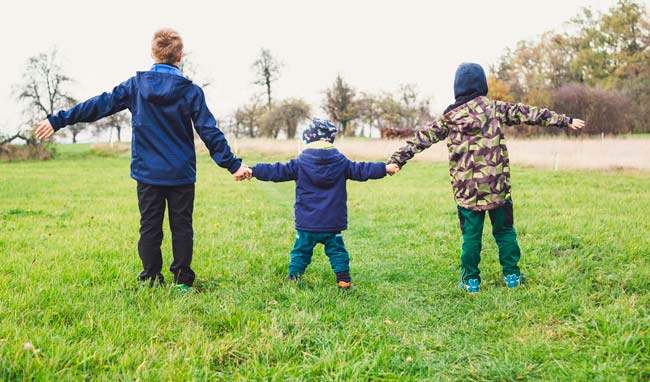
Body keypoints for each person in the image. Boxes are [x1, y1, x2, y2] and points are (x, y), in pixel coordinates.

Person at [34, 28, 251, 292]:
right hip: (180, 173)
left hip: (148, 173)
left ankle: (150, 277)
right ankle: (182, 281)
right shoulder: (191, 91)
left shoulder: (136, 87)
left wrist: (58, 120)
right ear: (180, 56)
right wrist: (233, 165)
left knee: (149, 227)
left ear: (153, 53)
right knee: (182, 227)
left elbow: (98, 105)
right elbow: (209, 131)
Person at [387, 62, 585, 293]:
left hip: (467, 192)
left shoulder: (449, 118)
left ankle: (471, 280)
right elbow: (528, 113)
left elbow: (421, 139)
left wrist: (397, 159)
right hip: (497, 187)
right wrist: (564, 120)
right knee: (504, 232)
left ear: (457, 88)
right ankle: (512, 275)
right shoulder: (494, 108)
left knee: (471, 237)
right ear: (482, 85)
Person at [244, 118, 399, 289]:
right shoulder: (341, 162)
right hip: (332, 223)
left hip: (307, 223)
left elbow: (276, 171)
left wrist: (254, 170)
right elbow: (362, 169)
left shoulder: (300, 163)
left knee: (300, 252)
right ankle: (344, 281)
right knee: (338, 252)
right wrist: (384, 168)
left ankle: (293, 279)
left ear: (308, 139)